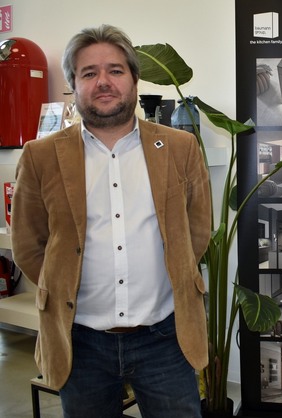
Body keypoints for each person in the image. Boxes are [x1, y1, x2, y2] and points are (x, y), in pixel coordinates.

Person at [11, 24, 211, 418]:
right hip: (80, 343)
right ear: (73, 84)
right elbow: (29, 246)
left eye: (115, 70)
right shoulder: (40, 156)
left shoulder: (180, 147)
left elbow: (197, 231)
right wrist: (64, 284)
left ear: (134, 79)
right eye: (89, 73)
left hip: (165, 338)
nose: (103, 82)